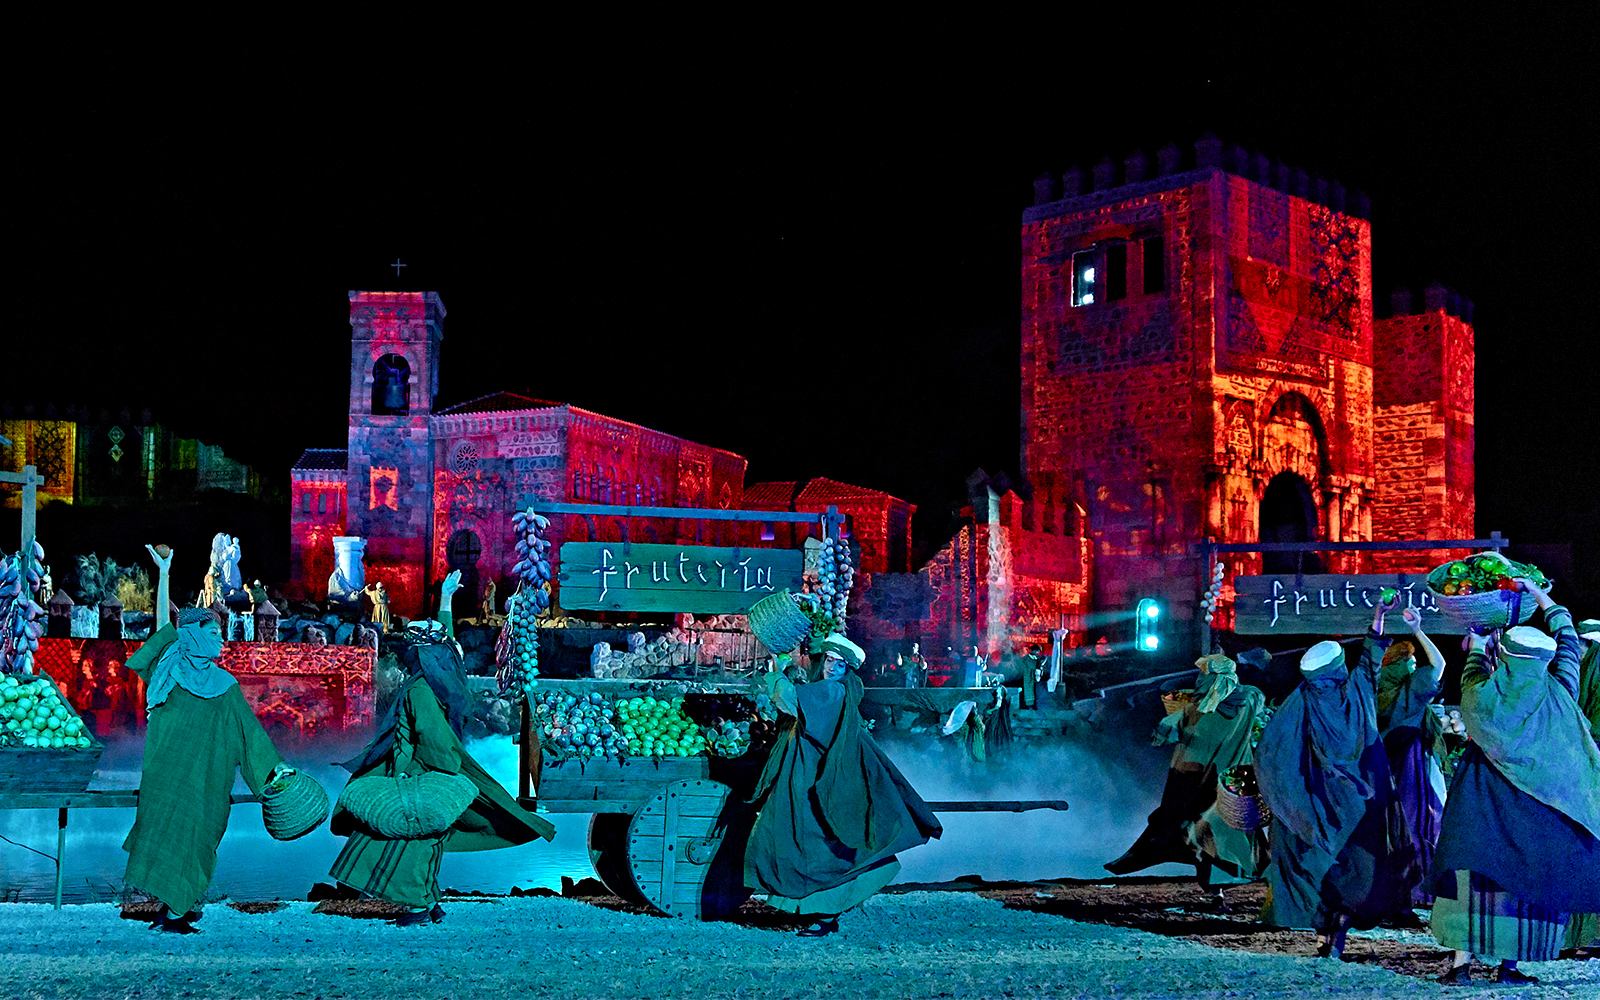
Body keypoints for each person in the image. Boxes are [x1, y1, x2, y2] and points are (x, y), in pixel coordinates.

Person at [330, 571, 556, 925]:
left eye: (410, 651)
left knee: (409, 839)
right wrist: (446, 598)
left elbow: (431, 738)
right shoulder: (446, 679)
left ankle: (418, 905)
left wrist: (422, 773)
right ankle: (429, 899)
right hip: (432, 766)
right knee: (428, 836)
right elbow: (444, 641)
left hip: (421, 769)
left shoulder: (420, 690)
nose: (405, 657)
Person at [1427, 580, 1600, 984]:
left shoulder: (1481, 695)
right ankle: (1509, 967)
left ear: (1504, 656)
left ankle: (1460, 966)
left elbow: (1473, 664)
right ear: (1545, 659)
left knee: (1476, 872)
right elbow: (1567, 636)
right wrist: (1537, 593)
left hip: (1483, 794)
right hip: (1538, 803)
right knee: (1526, 873)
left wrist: (1477, 638)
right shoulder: (1562, 690)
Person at [121, 544, 289, 934]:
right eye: (212, 633)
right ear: (193, 635)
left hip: (205, 783)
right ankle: (174, 913)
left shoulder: (224, 685)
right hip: (166, 777)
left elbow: (249, 734)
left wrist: (276, 770)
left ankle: (175, 908)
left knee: (198, 838)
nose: (220, 640)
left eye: (220, 633)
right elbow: (163, 624)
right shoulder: (167, 667)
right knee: (166, 836)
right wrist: (164, 573)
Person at [745, 633, 942, 936]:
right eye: (830, 660)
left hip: (815, 776)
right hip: (810, 771)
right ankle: (819, 910)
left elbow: (790, 700)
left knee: (816, 844)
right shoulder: (834, 689)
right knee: (812, 842)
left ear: (847, 669)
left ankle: (827, 912)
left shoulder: (834, 691)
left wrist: (776, 670)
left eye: (840, 665)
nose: (833, 668)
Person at [1255, 593, 1418, 959]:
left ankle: (1323, 939)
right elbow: (1372, 656)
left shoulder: (1300, 702)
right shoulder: (1357, 691)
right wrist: (1379, 613)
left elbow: (1273, 752)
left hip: (1318, 805)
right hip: (1362, 801)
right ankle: (1338, 934)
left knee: (1322, 868)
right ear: (1339, 667)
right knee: (1360, 870)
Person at [1104, 652, 1268, 898]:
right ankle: (1224, 886)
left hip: (1206, 780)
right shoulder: (1251, 698)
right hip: (1235, 780)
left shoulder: (1196, 711)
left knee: (1203, 829)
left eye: (1204, 674)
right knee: (1223, 830)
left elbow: (1166, 734)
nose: (1200, 679)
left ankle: (1219, 888)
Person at [1376, 607, 1447, 905]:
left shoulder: (1376, 690)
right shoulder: (1410, 691)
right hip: (1414, 766)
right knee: (1423, 822)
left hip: (1384, 767)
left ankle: (1393, 890)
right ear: (1401, 664)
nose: (1416, 667)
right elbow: (1440, 664)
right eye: (1413, 662)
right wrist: (1417, 629)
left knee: (1391, 827)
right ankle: (1421, 891)